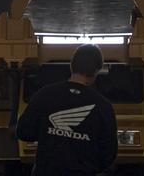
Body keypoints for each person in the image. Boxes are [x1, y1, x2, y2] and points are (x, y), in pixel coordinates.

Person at [16, 44, 118, 176]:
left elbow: (23, 132)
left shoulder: (45, 95)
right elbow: (109, 155)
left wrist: (48, 134)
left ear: (71, 65)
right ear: (97, 70)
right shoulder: (103, 106)